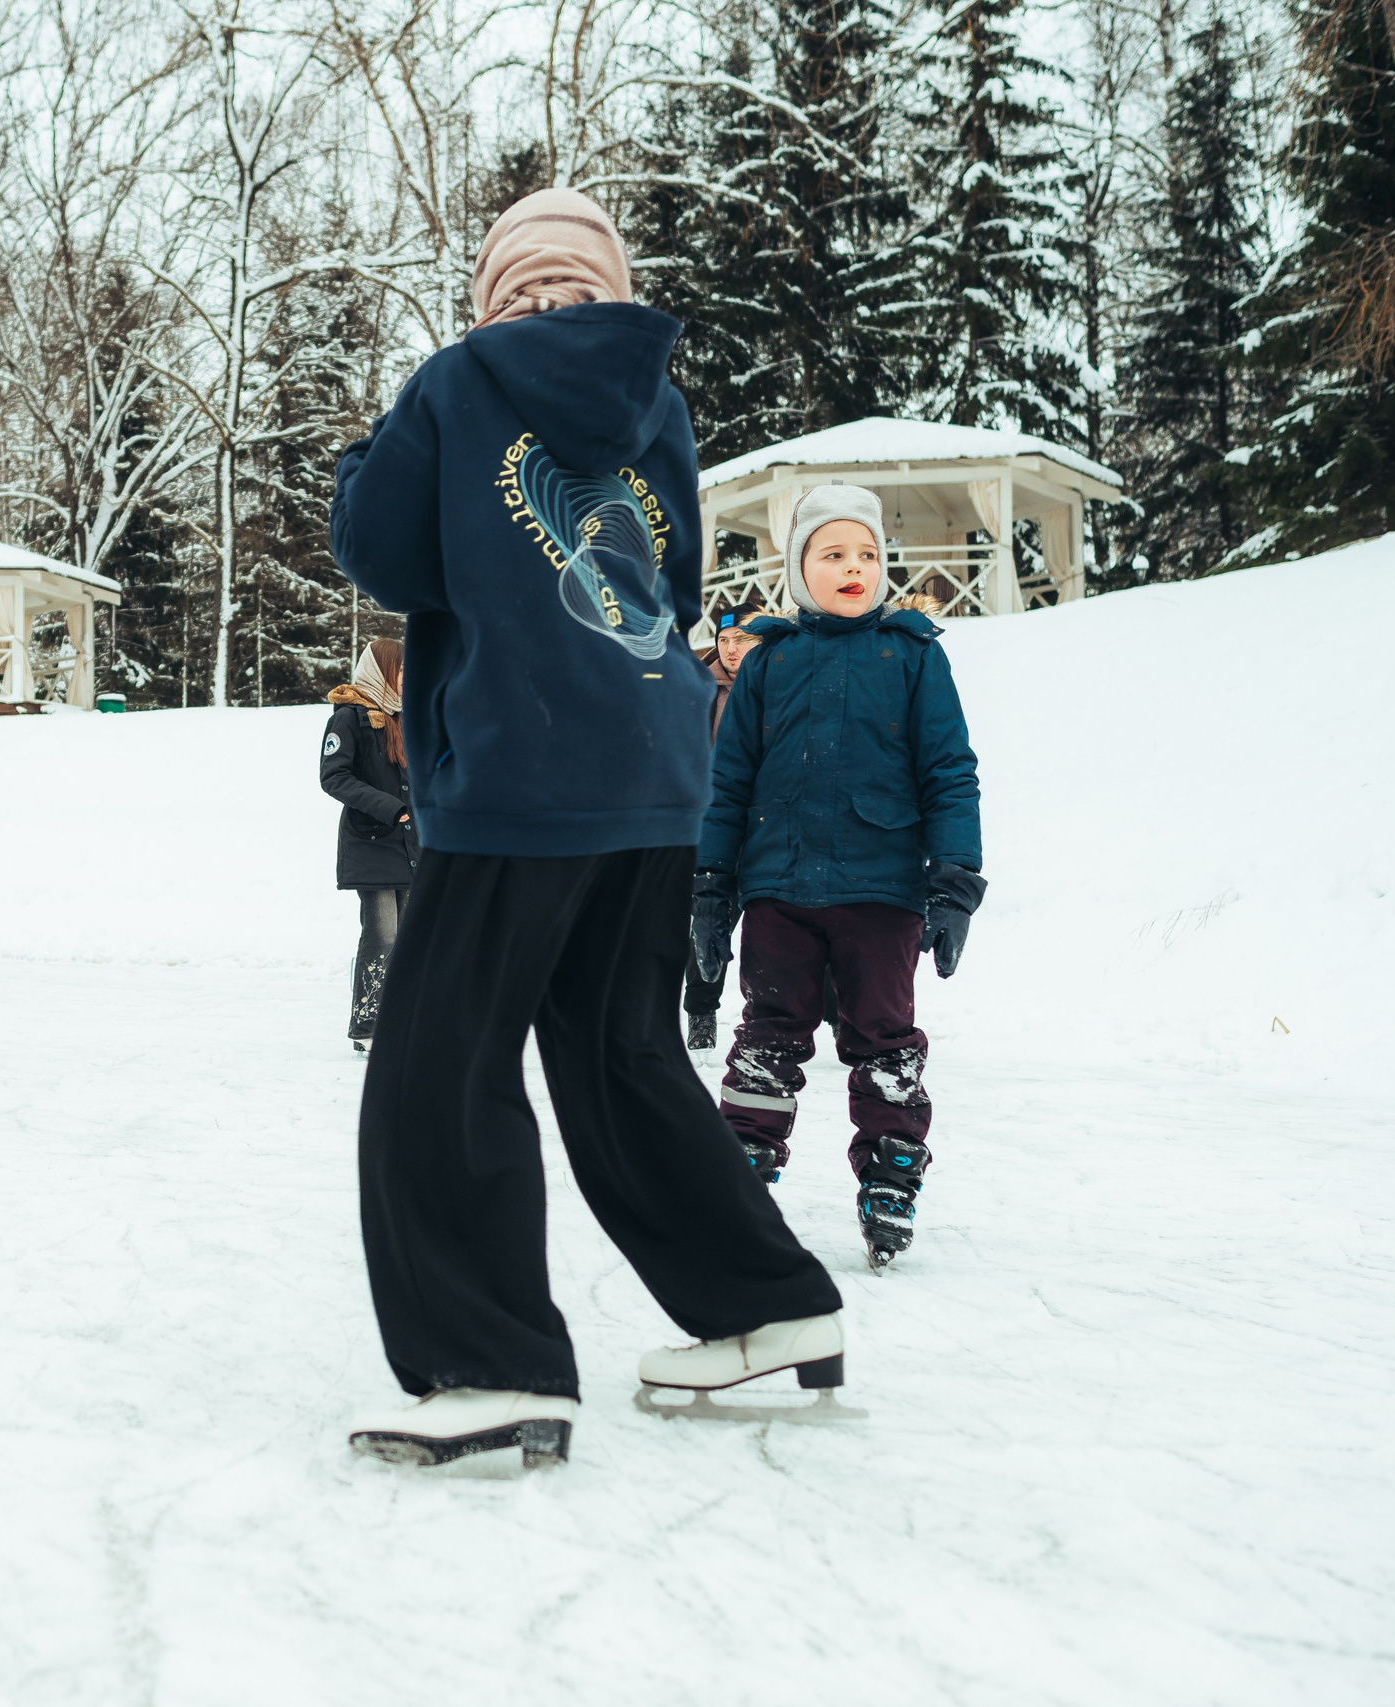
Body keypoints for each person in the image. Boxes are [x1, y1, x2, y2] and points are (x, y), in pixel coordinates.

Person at [325, 188, 845, 1474]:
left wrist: (371, 453)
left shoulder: (456, 384)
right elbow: (667, 583)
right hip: (652, 765)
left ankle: (489, 1361)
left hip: (518, 768)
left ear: (499, 290)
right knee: (619, 1058)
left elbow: (381, 553)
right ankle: (767, 1305)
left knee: (437, 1067)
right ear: (605, 284)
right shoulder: (651, 395)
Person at [694, 483, 985, 1271]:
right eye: (833, 554)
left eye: (867, 554)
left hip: (881, 895)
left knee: (884, 1041)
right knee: (765, 1037)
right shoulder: (770, 661)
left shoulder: (914, 655)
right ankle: (744, 1173)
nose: (853, 567)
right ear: (799, 567)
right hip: (781, 891)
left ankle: (891, 1176)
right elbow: (729, 784)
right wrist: (712, 887)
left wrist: (954, 879)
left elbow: (950, 772)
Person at [319, 637, 417, 1052]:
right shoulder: (350, 718)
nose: (406, 677)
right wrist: (389, 808)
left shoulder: (404, 717)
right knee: (382, 935)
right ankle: (368, 1026)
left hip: (411, 846)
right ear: (381, 670)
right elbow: (334, 777)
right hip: (371, 842)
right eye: (400, 669)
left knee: (410, 938)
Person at [682, 604, 767, 1050]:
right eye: (725, 640)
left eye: (743, 640)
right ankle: (701, 1014)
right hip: (715, 822)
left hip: (771, 824)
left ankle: (831, 1015)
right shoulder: (698, 688)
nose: (731, 649)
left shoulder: (782, 683)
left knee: (791, 926)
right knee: (710, 917)